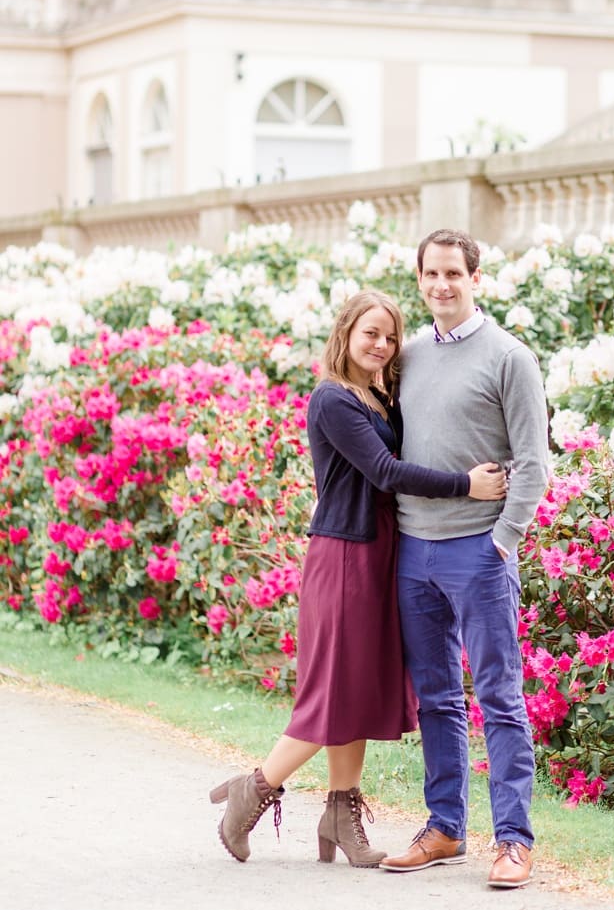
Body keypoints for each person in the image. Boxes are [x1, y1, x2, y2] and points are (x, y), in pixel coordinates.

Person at [209, 289, 509, 866]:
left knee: (354, 688)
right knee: (331, 693)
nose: (382, 344)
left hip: (379, 554)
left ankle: (340, 813)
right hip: (344, 559)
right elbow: (384, 471)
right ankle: (255, 787)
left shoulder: (378, 397)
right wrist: (464, 486)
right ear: (345, 333)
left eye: (391, 336)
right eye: (370, 332)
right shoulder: (332, 400)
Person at [376, 228, 549, 890]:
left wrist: (500, 542)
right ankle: (445, 825)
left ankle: (512, 841)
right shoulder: (410, 356)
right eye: (431, 275)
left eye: (454, 273)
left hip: (479, 551)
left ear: (475, 277)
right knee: (439, 700)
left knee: (500, 698)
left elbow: (533, 466)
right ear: (419, 281)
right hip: (414, 550)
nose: (442, 285)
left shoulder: (510, 357)